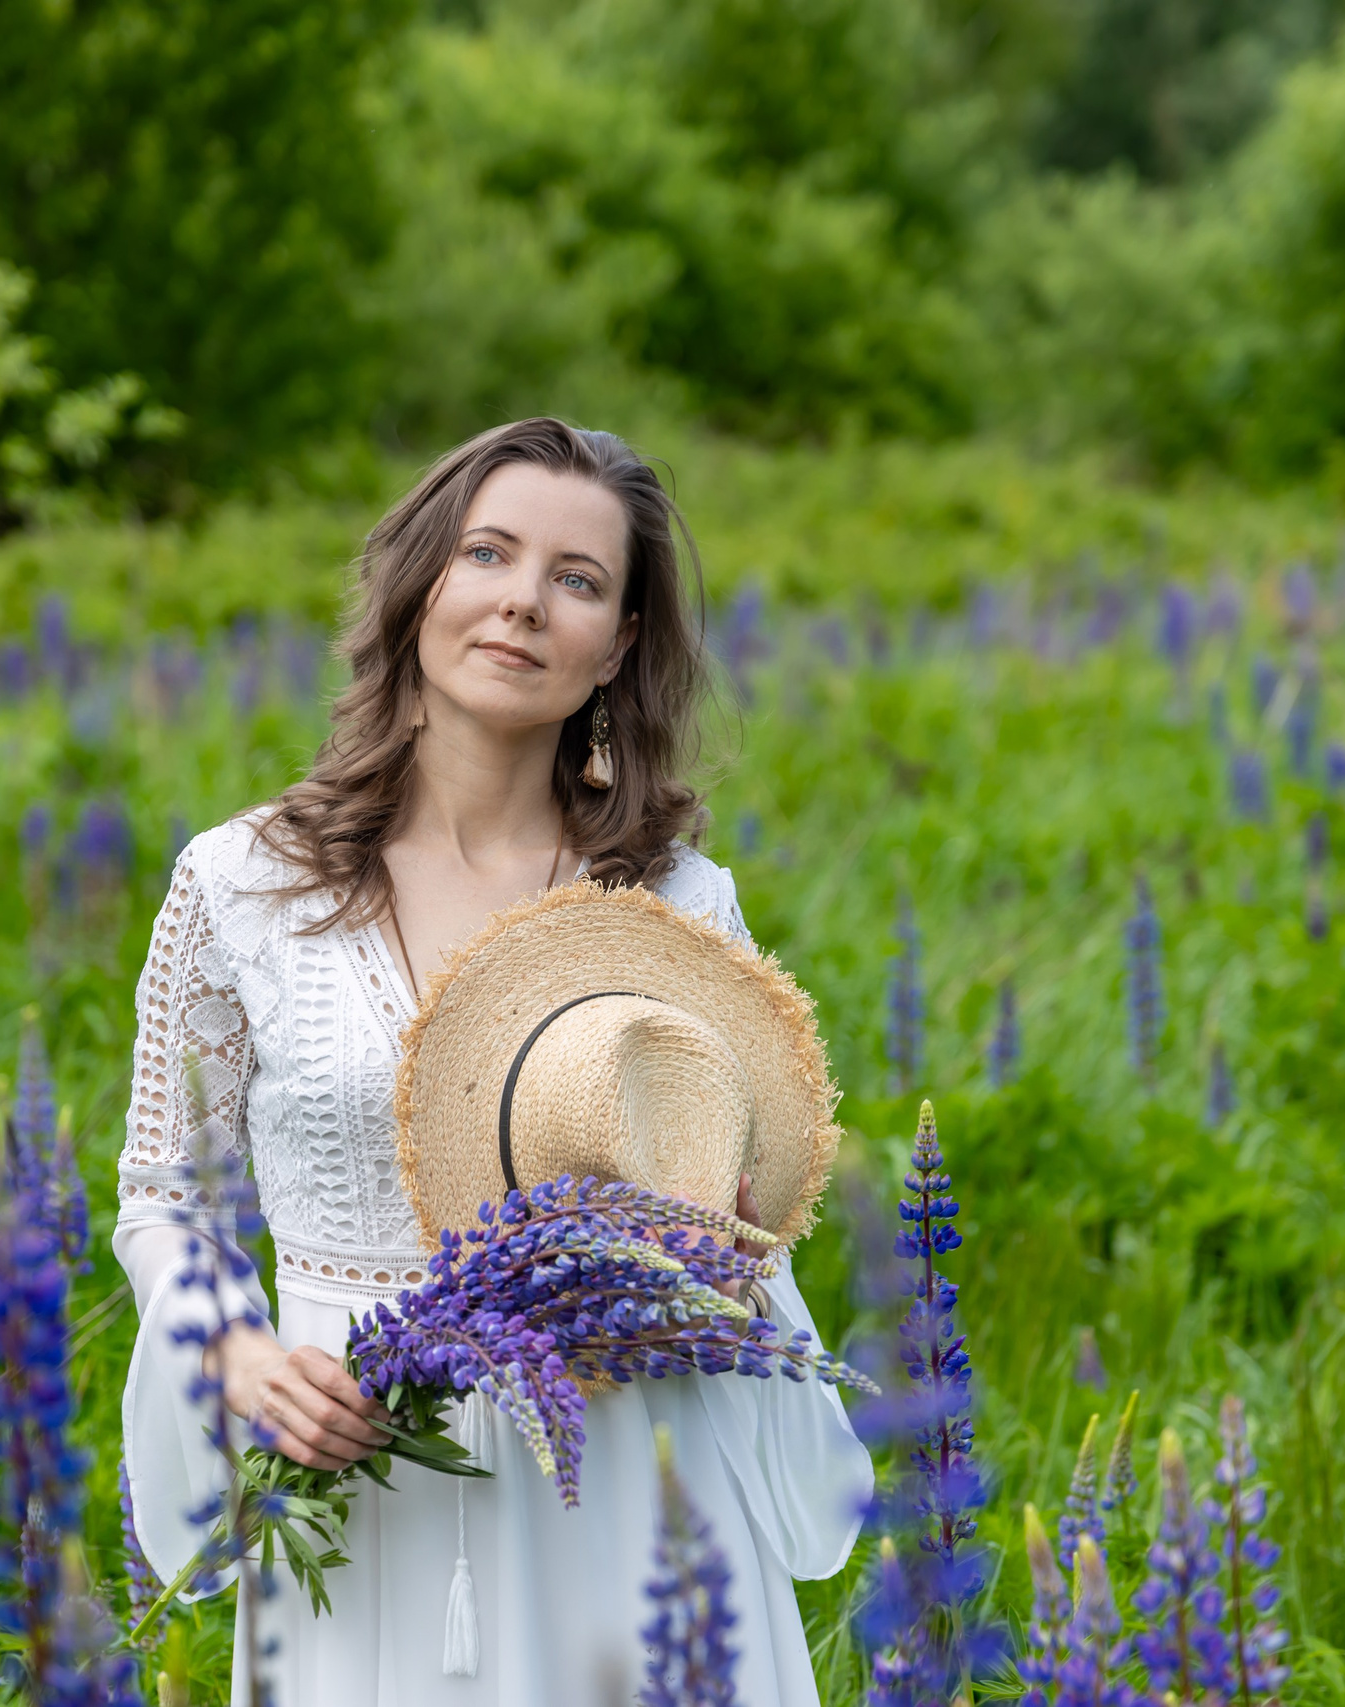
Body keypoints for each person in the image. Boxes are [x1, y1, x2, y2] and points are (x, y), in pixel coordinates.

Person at [114, 417, 872, 1705]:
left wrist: (720, 1245)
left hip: (621, 1469)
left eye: (577, 579)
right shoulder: (242, 884)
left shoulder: (674, 904)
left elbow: (740, 1226)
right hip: (358, 1466)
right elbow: (164, 1199)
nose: (523, 601)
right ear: (424, 581)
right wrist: (239, 1358)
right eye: (489, 554)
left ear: (616, 644)